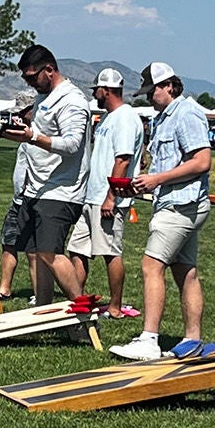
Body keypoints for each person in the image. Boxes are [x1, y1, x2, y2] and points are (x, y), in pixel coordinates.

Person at [110, 62, 215, 361]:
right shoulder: (163, 118)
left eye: (152, 91)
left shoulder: (187, 113)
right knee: (186, 272)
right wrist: (148, 183)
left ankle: (149, 339)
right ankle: (193, 338)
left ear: (169, 85)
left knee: (150, 265)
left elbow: (201, 161)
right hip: (177, 201)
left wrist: (157, 179)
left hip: (183, 204)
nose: (148, 98)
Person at [2, 44, 91, 307]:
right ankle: (43, 310)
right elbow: (43, 134)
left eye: (32, 77)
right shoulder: (44, 97)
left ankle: (83, 311)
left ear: (49, 70)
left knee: (50, 253)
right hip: (37, 188)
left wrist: (33, 137)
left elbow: (73, 144)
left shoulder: (72, 100)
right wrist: (25, 130)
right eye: (25, 79)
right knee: (39, 254)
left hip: (62, 189)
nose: (30, 84)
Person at [69, 68, 145, 320]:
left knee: (110, 253)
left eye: (97, 90)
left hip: (108, 198)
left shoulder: (124, 117)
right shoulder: (109, 117)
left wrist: (111, 197)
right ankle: (78, 300)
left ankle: (115, 306)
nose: (95, 94)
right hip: (91, 196)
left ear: (106, 90)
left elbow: (122, 159)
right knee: (77, 249)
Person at [0, 90, 40, 302]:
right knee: (8, 241)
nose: (20, 116)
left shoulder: (41, 134)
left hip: (33, 198)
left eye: (23, 112)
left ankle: (38, 293)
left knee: (33, 249)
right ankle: (4, 289)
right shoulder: (25, 133)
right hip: (18, 199)